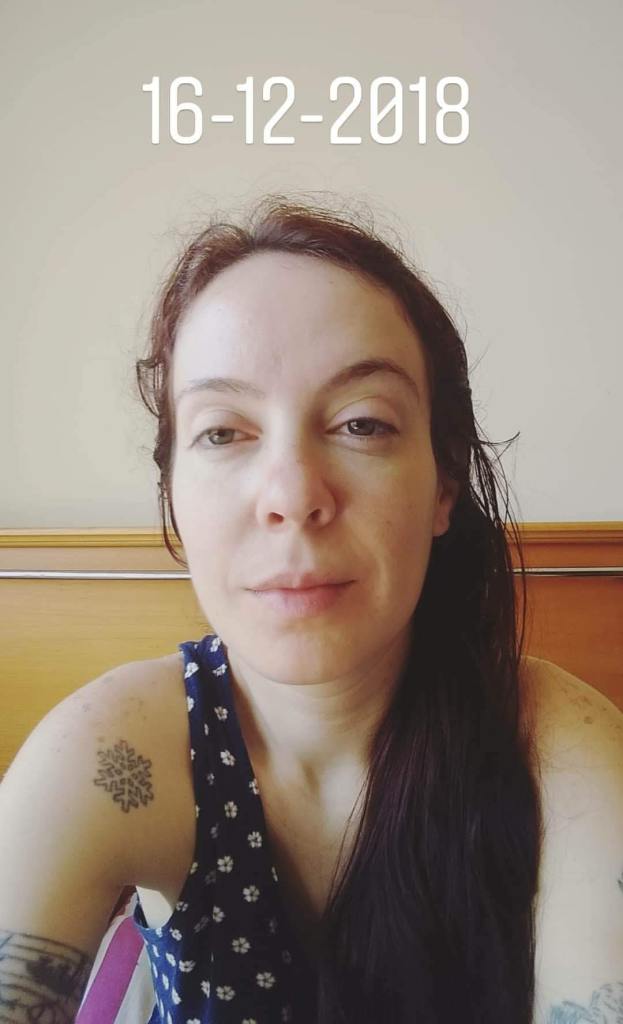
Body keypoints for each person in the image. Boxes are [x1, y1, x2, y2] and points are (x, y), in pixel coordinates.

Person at [1, 195, 622, 1024]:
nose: (292, 495)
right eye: (224, 433)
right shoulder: (112, 753)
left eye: (362, 424)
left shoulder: (558, 752)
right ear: (172, 492)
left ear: (443, 484)